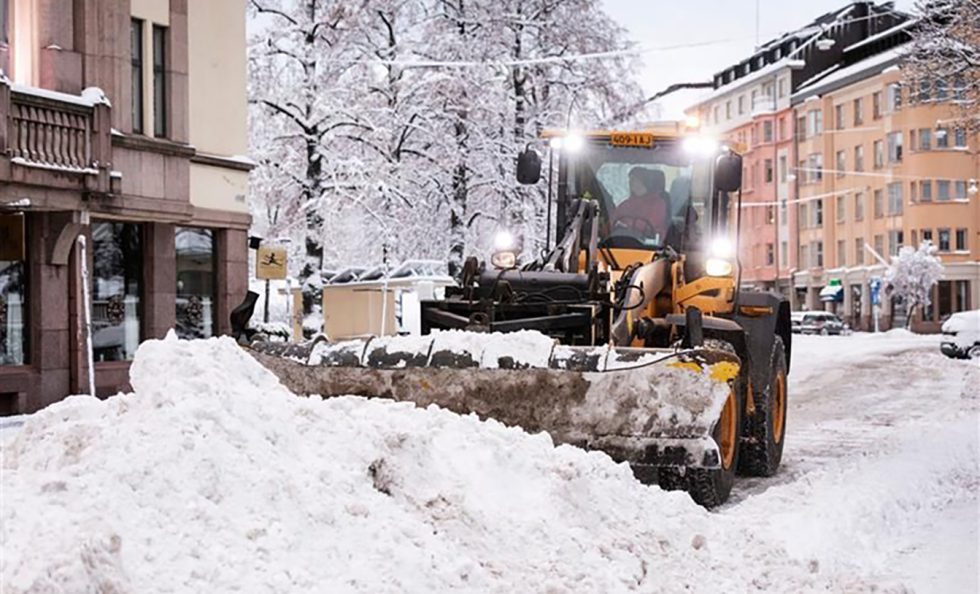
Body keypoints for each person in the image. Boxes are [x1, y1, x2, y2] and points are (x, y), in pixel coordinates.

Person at [612, 168, 669, 241]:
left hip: (649, 246)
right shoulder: (625, 204)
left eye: (634, 179)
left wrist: (626, 224)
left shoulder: (658, 204)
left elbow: (650, 225)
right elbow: (612, 221)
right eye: (630, 179)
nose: (630, 182)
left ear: (644, 181)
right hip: (619, 245)